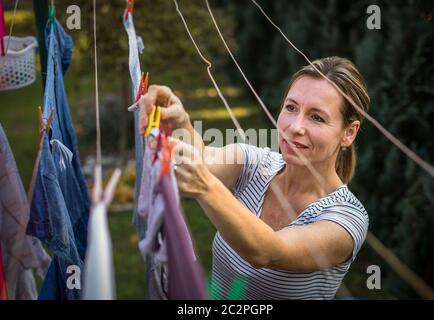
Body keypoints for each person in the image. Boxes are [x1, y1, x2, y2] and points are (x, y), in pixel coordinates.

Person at [138, 56, 370, 299]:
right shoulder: (256, 163)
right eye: (291, 108)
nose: (295, 126)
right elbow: (204, 160)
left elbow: (268, 251)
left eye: (317, 117)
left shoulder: (347, 219)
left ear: (349, 133)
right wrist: (180, 120)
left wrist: (206, 187)